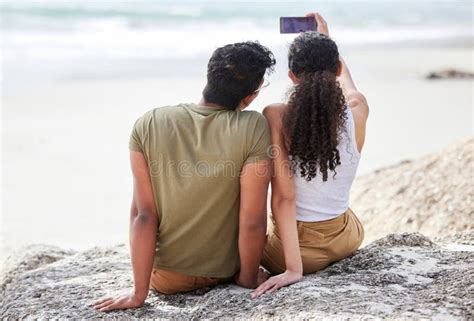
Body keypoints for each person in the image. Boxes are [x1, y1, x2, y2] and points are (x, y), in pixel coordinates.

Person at [92, 41, 276, 312]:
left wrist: (138, 293)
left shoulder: (149, 122)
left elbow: (143, 215)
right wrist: (247, 278)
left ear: (210, 76)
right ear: (250, 96)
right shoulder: (253, 126)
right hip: (223, 271)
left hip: (164, 279)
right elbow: (252, 220)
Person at [251, 13, 369, 298]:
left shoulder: (276, 116)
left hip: (298, 252)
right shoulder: (358, 110)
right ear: (338, 66)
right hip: (347, 238)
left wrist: (293, 268)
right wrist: (325, 38)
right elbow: (347, 84)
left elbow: (284, 198)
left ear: (292, 76)